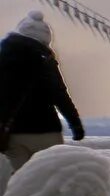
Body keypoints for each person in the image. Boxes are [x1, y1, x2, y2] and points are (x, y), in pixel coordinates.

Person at [0, 10, 84, 171]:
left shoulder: (3, 58)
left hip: (12, 133)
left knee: (21, 181)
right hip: (45, 130)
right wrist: (75, 124)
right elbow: (59, 94)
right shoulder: (44, 60)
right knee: (47, 180)